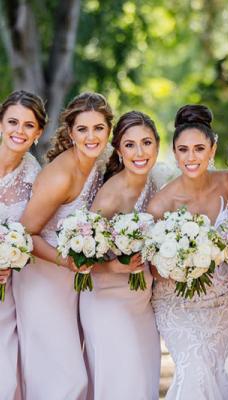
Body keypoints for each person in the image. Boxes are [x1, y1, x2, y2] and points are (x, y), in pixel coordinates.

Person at [16, 92, 113, 399]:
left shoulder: (98, 165)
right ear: (71, 132)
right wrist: (65, 261)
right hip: (42, 280)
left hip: (72, 282)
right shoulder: (61, 174)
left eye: (98, 128)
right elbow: (25, 235)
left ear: (108, 130)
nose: (91, 136)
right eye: (83, 129)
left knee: (71, 369)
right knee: (66, 378)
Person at [148, 104, 228, 400]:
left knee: (211, 370)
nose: (191, 157)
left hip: (222, 300)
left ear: (213, 148)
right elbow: (152, 267)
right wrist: (179, 264)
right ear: (174, 153)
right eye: (183, 150)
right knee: (194, 367)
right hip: (177, 302)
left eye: (199, 148)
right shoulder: (161, 204)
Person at [80, 111, 162, 400]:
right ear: (118, 150)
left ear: (157, 145)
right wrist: (115, 265)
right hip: (107, 300)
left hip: (141, 302)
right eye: (130, 145)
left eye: (146, 143)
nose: (140, 153)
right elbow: (82, 258)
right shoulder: (111, 194)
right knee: (122, 382)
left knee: (144, 379)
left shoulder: (155, 183)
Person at [0, 90, 47, 400]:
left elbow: (35, 232)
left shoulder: (37, 178)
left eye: (29, 125)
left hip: (11, 286)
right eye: (13, 122)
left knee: (7, 373)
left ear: (39, 132)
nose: (20, 131)